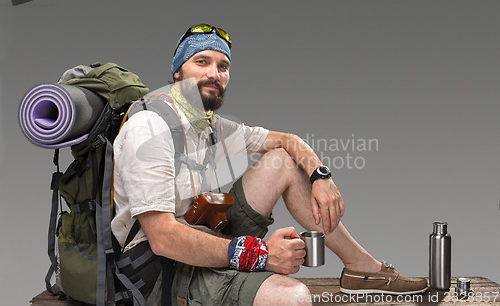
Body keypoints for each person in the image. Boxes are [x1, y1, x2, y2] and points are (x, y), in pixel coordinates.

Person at [111, 23, 428, 306]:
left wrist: (321, 177)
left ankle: (362, 268)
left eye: (223, 66)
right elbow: (163, 239)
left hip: (202, 234)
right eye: (202, 62)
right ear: (177, 72)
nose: (214, 73)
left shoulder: (209, 126)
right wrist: (259, 254)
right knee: (292, 296)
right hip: (160, 272)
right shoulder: (149, 128)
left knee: (283, 163)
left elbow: (288, 141)